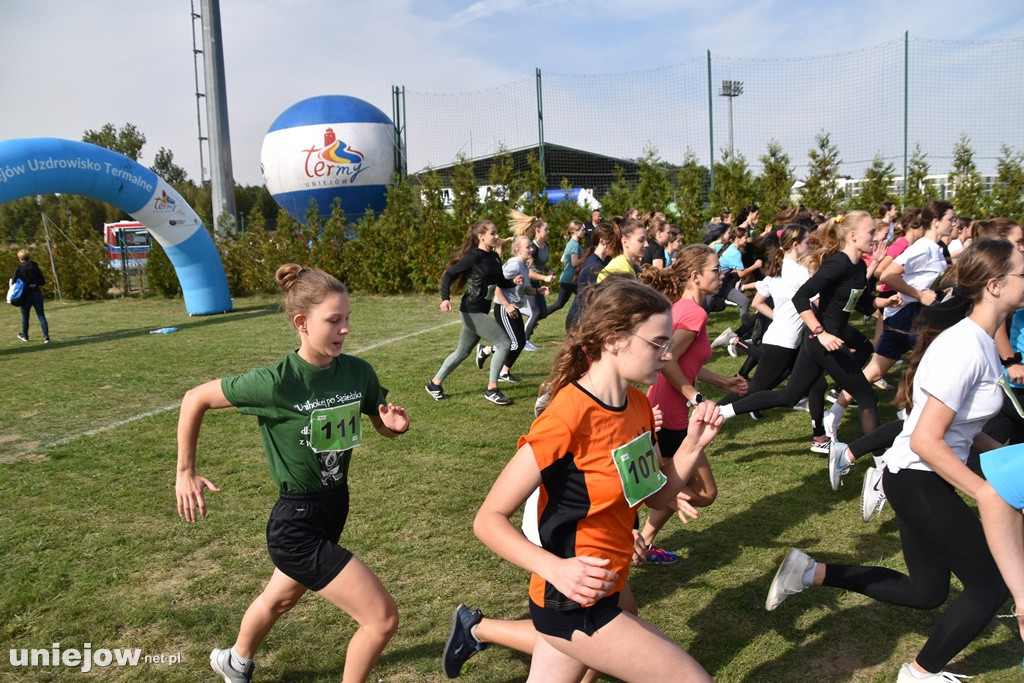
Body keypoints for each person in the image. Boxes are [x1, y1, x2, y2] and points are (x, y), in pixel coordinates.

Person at [765, 239, 1021, 681]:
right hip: (917, 477)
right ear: (995, 286)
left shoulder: (979, 342)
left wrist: (1002, 458)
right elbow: (925, 439)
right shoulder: (965, 346)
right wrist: (982, 491)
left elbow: (959, 424)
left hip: (916, 476)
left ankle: (808, 572)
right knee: (990, 585)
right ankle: (921, 674)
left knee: (925, 591)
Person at [472, 276, 719, 682]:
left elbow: (656, 497)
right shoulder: (565, 416)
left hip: (608, 585)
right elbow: (488, 518)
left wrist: (692, 444)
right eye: (658, 342)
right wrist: (555, 568)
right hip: (571, 602)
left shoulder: (638, 404)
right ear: (613, 339)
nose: (667, 354)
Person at [175, 264, 409, 683]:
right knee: (381, 619)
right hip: (296, 524)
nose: (346, 329)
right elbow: (196, 398)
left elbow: (377, 419)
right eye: (334, 320)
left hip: (334, 509)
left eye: (348, 318)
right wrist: (185, 471)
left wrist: (389, 425)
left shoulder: (358, 373)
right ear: (302, 323)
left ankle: (235, 661)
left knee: (279, 599)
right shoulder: (274, 383)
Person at [718, 212, 887, 444]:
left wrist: (888, 301)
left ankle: (723, 412)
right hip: (819, 340)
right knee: (866, 396)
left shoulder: (857, 267)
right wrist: (821, 333)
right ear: (852, 235)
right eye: (871, 232)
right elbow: (802, 298)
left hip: (814, 339)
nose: (875, 236)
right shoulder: (837, 264)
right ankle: (873, 462)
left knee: (790, 395)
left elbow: (861, 302)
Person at [636, 245, 747, 562]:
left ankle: (643, 541)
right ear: (696, 277)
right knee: (704, 492)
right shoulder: (693, 313)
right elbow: (667, 360)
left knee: (685, 486)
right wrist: (695, 398)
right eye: (715, 269)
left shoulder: (686, 308)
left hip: (669, 413)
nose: (721, 274)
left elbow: (686, 364)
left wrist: (723, 382)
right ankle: (647, 503)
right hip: (670, 417)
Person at [426, 220, 523, 406]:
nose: (496, 236)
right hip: (472, 312)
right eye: (493, 233)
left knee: (462, 352)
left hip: (480, 311)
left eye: (496, 233)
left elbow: (499, 281)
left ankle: (434, 384)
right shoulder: (474, 256)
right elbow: (449, 274)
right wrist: (445, 298)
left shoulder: (494, 257)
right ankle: (492, 389)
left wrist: (513, 282)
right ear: (481, 236)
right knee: (504, 343)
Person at [477, 235, 549, 383]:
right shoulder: (514, 265)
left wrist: (537, 291)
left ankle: (504, 372)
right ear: (518, 250)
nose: (531, 249)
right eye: (528, 246)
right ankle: (486, 350)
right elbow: (496, 285)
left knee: (520, 343)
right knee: (514, 343)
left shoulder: (523, 266)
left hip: (514, 307)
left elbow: (522, 289)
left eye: (531, 246)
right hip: (505, 308)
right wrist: (507, 305)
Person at [565, 223, 615, 331]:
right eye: (613, 241)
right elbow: (592, 298)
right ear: (602, 241)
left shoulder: (604, 261)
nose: (615, 245)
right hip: (579, 319)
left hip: (587, 317)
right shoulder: (593, 265)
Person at [547, 220, 585, 316]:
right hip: (569, 280)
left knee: (586, 300)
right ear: (575, 231)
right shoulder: (574, 245)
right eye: (582, 230)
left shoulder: (570, 243)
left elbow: (563, 259)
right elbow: (574, 263)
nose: (584, 231)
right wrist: (585, 258)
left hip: (571, 279)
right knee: (559, 304)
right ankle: (539, 314)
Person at [11, 249, 50, 343]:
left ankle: (25, 335)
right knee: (41, 315)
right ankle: (46, 337)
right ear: (29, 257)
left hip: (25, 295)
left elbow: (13, 282)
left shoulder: (19, 268)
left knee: (25, 316)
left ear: (20, 258)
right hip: (36, 293)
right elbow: (42, 281)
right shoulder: (34, 266)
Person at [597, 218, 647, 283]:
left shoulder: (626, 265)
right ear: (625, 242)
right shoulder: (621, 270)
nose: (646, 244)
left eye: (646, 240)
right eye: (641, 240)